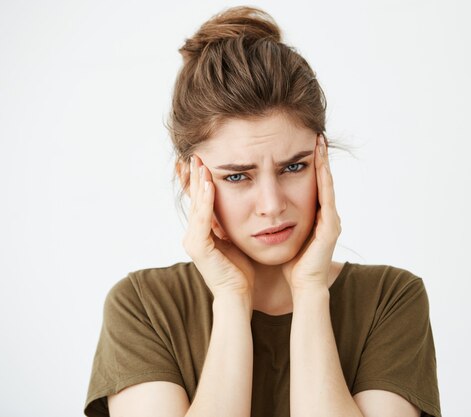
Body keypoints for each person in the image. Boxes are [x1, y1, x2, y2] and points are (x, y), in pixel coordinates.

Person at [84, 6, 441, 417]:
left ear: (321, 161)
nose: (272, 205)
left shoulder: (389, 300)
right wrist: (231, 299)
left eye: (294, 167)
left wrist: (310, 293)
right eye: (238, 177)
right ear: (191, 181)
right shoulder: (144, 307)